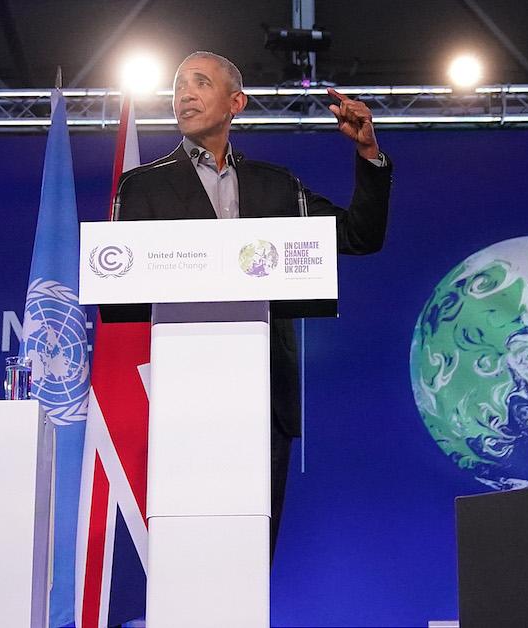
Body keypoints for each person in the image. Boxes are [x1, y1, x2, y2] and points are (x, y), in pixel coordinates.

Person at [114, 51, 392, 553]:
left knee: (250, 558)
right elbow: (121, 282)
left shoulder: (276, 185)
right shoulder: (143, 186)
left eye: (200, 83)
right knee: (187, 556)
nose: (184, 94)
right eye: (178, 85)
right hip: (183, 399)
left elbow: (359, 235)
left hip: (264, 399)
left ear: (235, 102)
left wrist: (368, 155)